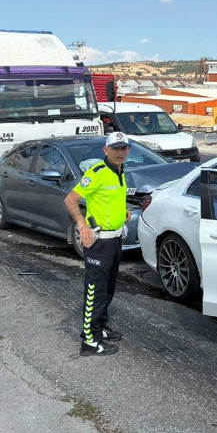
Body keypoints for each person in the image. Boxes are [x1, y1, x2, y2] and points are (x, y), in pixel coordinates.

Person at [64, 132, 132, 356]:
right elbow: (70, 199)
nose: (120, 152)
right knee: (95, 291)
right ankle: (89, 341)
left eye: (123, 148)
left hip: (115, 239)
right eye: (115, 148)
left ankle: (99, 327)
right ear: (106, 150)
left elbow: (109, 199)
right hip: (99, 242)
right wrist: (82, 226)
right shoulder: (97, 173)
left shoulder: (120, 172)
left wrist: (123, 212)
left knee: (108, 289)